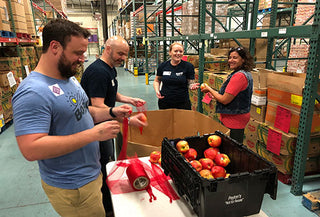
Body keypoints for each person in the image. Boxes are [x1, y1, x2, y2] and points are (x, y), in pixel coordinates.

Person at [12, 19, 146, 217]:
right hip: (73, 187)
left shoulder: (69, 79)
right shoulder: (33, 92)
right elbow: (31, 149)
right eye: (77, 53)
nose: (83, 59)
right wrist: (93, 135)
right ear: (55, 47)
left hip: (90, 174)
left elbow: (84, 111)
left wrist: (111, 113)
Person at [81, 35, 146, 216]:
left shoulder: (110, 68)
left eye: (125, 55)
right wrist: (128, 120)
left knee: (108, 160)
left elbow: (111, 92)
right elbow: (98, 106)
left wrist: (130, 99)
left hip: (107, 123)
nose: (123, 58)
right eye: (120, 54)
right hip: (98, 128)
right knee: (103, 165)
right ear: (107, 48)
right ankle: (107, 207)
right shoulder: (98, 72)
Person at [200, 46, 254, 143]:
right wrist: (215, 94)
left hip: (234, 119)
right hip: (236, 117)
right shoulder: (244, 73)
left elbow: (225, 100)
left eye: (235, 58)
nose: (231, 60)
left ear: (243, 59)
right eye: (230, 57)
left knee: (232, 148)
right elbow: (230, 95)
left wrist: (209, 89)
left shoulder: (239, 76)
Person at [153, 42, 199, 110]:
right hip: (165, 102)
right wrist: (157, 90)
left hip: (182, 103)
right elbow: (157, 81)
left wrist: (192, 86)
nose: (178, 53)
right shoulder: (163, 66)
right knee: (166, 120)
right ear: (170, 52)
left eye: (180, 51)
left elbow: (190, 83)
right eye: (175, 51)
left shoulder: (188, 66)